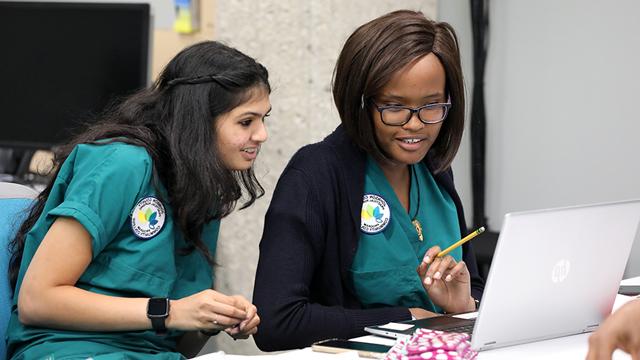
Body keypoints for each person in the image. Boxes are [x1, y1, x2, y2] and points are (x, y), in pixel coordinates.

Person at [6, 41, 271, 359]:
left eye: (264, 119)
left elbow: (175, 343)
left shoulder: (202, 192)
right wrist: (171, 312)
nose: (261, 135)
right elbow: (37, 301)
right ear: (199, 120)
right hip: (68, 349)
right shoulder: (123, 165)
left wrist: (209, 319)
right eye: (246, 122)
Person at [252, 10, 485, 351]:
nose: (416, 125)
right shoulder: (315, 175)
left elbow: (474, 287)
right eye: (394, 107)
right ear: (361, 103)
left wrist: (462, 306)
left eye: (432, 106)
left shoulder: (435, 169)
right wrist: (407, 317)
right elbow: (277, 321)